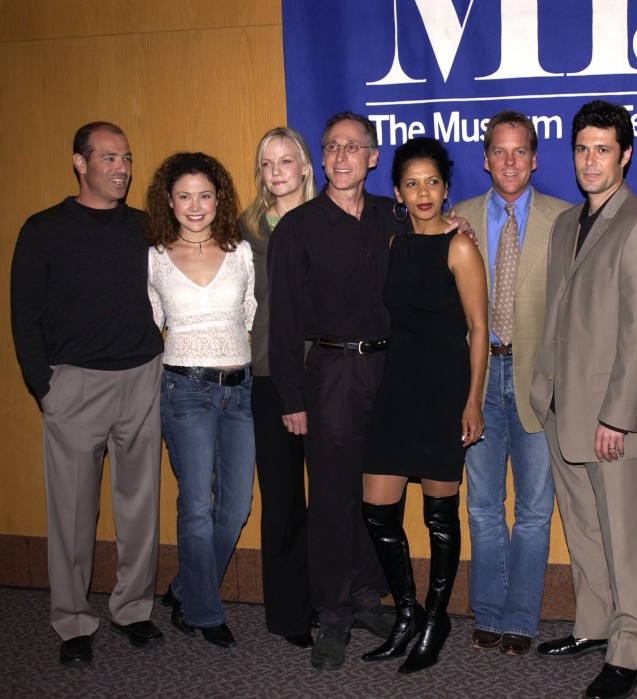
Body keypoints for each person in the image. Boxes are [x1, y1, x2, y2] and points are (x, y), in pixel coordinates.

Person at [268, 112, 477, 670]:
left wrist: (462, 230)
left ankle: (366, 598)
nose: (342, 157)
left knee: (374, 499)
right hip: (331, 374)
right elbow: (284, 322)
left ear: (373, 157)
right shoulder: (299, 227)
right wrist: (292, 398)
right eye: (333, 147)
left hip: (396, 372)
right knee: (333, 498)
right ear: (323, 157)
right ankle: (332, 614)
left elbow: (438, 248)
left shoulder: (394, 214)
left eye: (353, 147)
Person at [530, 100, 637, 699]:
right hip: (565, 407)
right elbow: (559, 314)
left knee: (625, 536)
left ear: (626, 155)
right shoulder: (568, 222)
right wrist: (544, 389)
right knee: (586, 530)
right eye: (582, 149)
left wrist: (618, 416)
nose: (590, 161)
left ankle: (630, 650)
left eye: (602, 150)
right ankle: (593, 627)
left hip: (616, 419)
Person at [10, 121, 165, 666]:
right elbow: (24, 317)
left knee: (140, 506)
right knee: (72, 513)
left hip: (143, 376)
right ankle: (72, 620)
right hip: (73, 385)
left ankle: (133, 609)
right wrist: (46, 388)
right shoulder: (44, 229)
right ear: (80, 163)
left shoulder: (146, 226)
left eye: (125, 158)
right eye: (107, 159)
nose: (121, 168)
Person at [360, 137, 487, 674]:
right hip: (398, 389)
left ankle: (437, 616)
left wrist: (474, 400)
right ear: (397, 192)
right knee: (377, 510)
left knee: (440, 515)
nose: (423, 192)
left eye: (432, 182)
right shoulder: (394, 245)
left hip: (444, 391)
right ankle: (407, 614)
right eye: (412, 183)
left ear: (446, 188)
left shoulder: (459, 246)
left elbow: (480, 329)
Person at [453, 111, 570, 657]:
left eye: (519, 151)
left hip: (536, 377)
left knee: (533, 509)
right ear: (484, 158)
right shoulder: (459, 219)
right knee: (481, 505)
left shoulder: (565, 219)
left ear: (535, 158)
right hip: (478, 374)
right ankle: (489, 612)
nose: (509, 162)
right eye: (498, 151)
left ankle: (521, 618)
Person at [146, 152, 256, 649]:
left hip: (240, 392)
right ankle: (202, 612)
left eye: (205, 195)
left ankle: (184, 585)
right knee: (195, 507)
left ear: (220, 199)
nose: (196, 206)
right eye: (185, 196)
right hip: (184, 391)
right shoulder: (154, 257)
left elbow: (248, 315)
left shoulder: (241, 253)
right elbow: (150, 326)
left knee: (234, 507)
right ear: (169, 202)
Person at [238, 127, 318, 649]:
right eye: (267, 163)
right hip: (270, 378)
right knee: (284, 498)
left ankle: (330, 599)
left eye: (286, 160)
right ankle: (290, 613)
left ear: (305, 167)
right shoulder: (245, 233)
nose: (276, 171)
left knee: (337, 498)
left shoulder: (330, 220)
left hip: (329, 376)